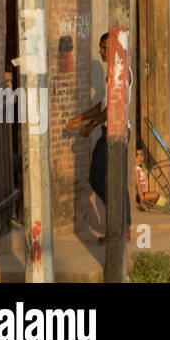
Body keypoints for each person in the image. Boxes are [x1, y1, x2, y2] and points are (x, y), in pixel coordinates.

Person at [64, 32, 131, 240]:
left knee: (99, 177)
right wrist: (82, 117)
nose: (101, 52)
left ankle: (120, 224)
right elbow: (103, 104)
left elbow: (113, 107)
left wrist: (92, 125)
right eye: (100, 48)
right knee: (111, 178)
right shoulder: (112, 73)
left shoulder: (119, 74)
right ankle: (122, 225)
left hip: (115, 133)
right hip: (110, 131)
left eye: (104, 48)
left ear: (114, 50)